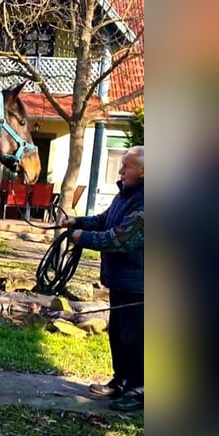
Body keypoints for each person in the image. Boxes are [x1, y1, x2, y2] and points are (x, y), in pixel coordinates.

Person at [60, 145, 144, 411]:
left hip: (141, 286)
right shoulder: (125, 196)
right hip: (121, 281)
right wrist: (76, 223)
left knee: (137, 339)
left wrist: (81, 238)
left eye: (126, 166)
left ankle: (139, 391)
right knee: (118, 337)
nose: (120, 170)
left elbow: (120, 239)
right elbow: (103, 221)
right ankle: (121, 382)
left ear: (144, 171)